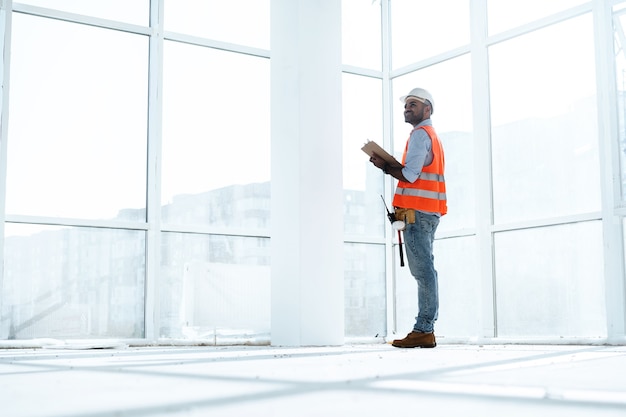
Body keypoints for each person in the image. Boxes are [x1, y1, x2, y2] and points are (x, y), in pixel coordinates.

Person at [369, 87, 447, 348]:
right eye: (406, 105)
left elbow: (410, 175)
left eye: (413, 104)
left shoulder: (420, 135)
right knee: (426, 271)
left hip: (418, 214)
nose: (407, 108)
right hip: (426, 213)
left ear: (428, 109)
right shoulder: (431, 136)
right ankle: (426, 328)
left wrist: (385, 166)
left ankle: (424, 329)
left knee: (423, 272)